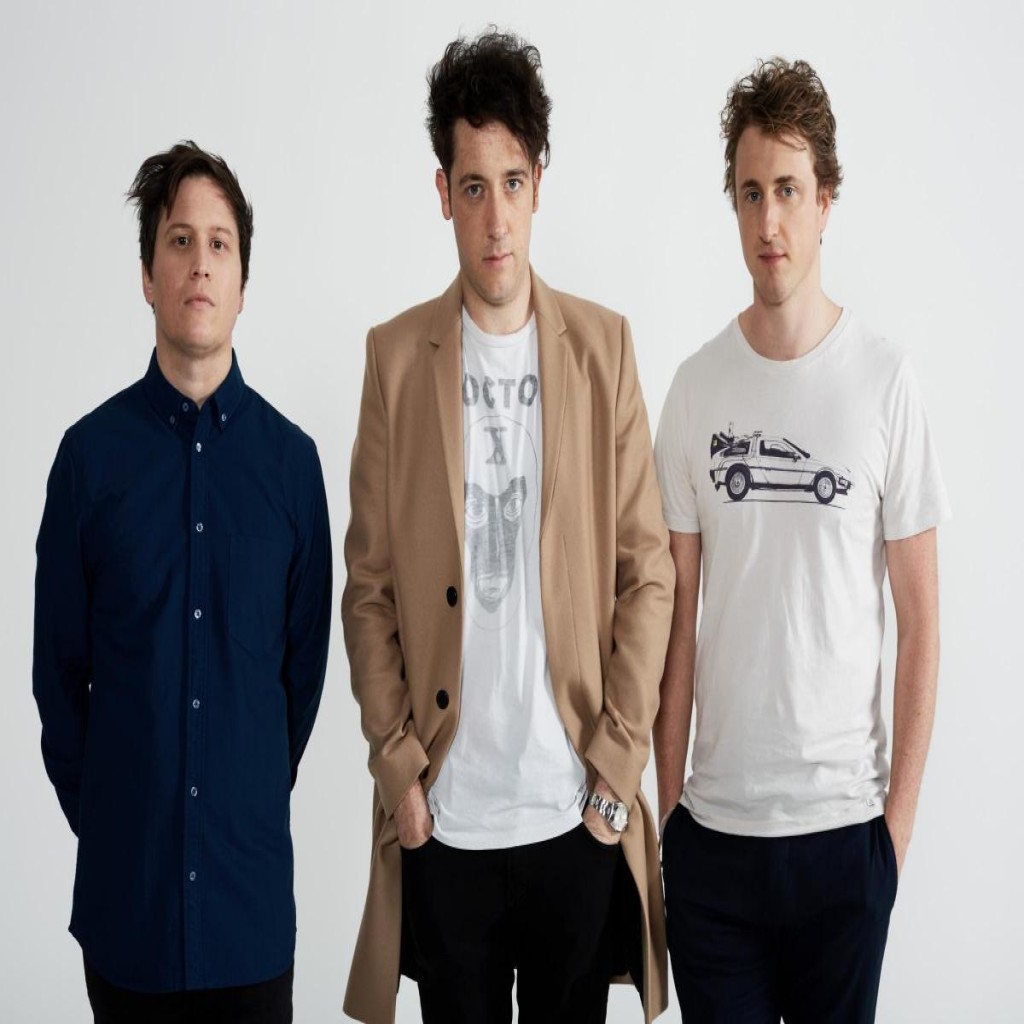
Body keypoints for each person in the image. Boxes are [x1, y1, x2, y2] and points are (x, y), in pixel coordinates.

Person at [342, 29, 674, 1024]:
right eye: (474, 186)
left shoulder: (602, 349)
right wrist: (401, 775)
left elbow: (647, 572)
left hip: (573, 818)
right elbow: (368, 588)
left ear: (539, 186)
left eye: (514, 183)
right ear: (442, 192)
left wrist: (614, 772)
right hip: (447, 827)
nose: (495, 218)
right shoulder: (395, 359)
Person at [653, 58, 951, 1023]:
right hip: (715, 846)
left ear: (826, 201)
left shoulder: (885, 382)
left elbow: (921, 623)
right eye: (751, 193)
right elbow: (675, 624)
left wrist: (893, 837)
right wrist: (668, 819)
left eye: (788, 190)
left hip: (844, 842)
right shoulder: (695, 390)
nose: (768, 221)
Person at [33, 141, 332, 1024]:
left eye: (220, 244)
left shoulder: (292, 468)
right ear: (147, 275)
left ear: (242, 282)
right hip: (127, 913)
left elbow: (302, 679)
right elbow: (58, 677)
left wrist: (239, 794)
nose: (200, 262)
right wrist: (117, 817)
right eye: (179, 240)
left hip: (248, 918)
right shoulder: (88, 461)